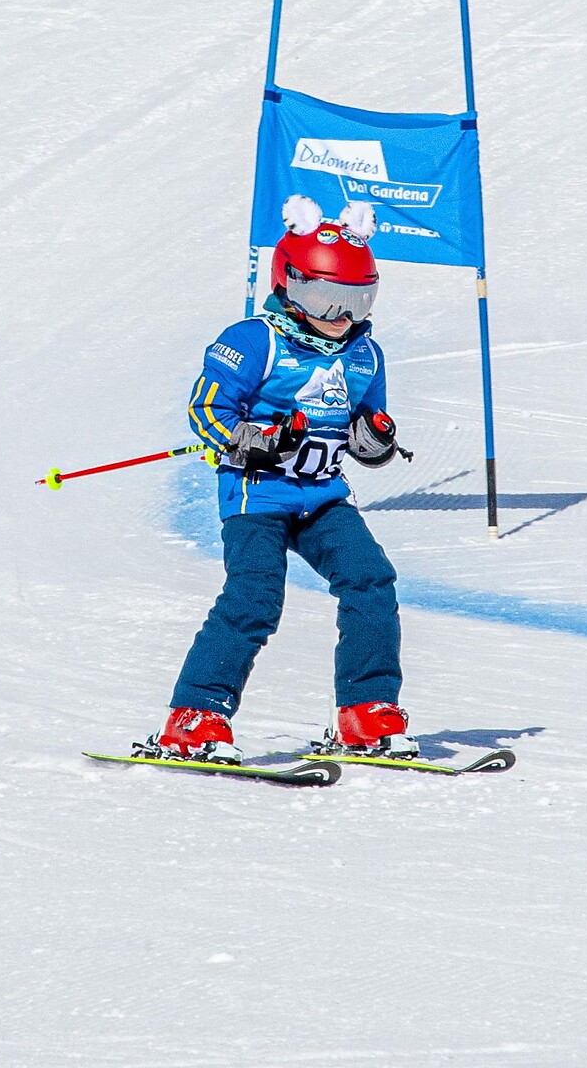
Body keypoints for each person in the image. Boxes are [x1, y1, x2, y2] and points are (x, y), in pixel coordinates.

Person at [149, 194, 413, 763]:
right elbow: (206, 410)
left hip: (322, 495)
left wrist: (373, 440)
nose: (340, 314)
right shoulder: (254, 340)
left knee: (370, 579)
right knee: (255, 598)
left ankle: (365, 711)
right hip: (258, 495)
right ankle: (194, 715)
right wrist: (254, 440)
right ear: (289, 285)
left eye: (356, 298)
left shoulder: (365, 354)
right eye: (324, 296)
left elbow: (365, 426)